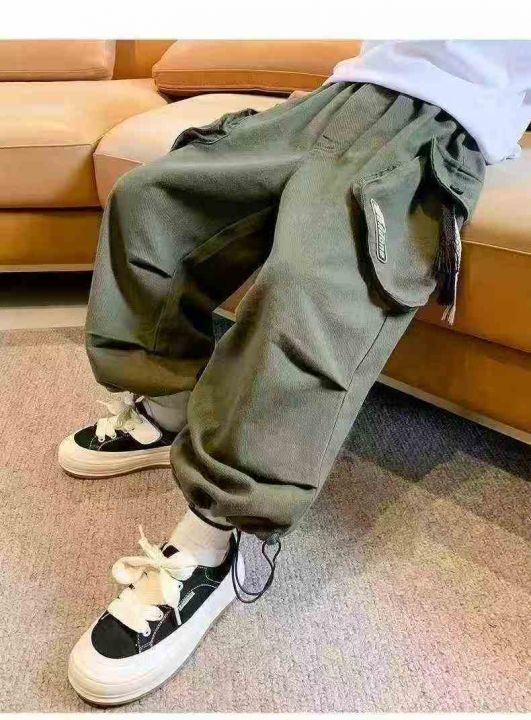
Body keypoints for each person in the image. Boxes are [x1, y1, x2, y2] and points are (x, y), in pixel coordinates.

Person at [59, 40, 530, 705]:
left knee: (306, 287)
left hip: (438, 123)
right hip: (337, 97)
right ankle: (168, 408)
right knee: (148, 198)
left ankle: (214, 541)